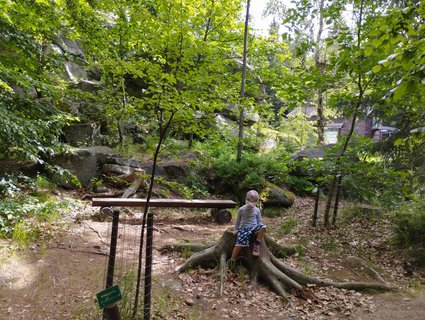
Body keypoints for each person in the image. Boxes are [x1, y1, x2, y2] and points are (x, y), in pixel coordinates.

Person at [229, 190, 267, 262]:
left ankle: (257, 244)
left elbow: (259, 221)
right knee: (238, 245)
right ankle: (232, 260)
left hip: (254, 228)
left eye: (253, 204)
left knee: (263, 227)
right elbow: (237, 221)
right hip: (244, 229)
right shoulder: (241, 209)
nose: (251, 205)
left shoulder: (257, 210)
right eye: (249, 203)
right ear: (246, 200)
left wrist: (260, 230)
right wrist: (236, 229)